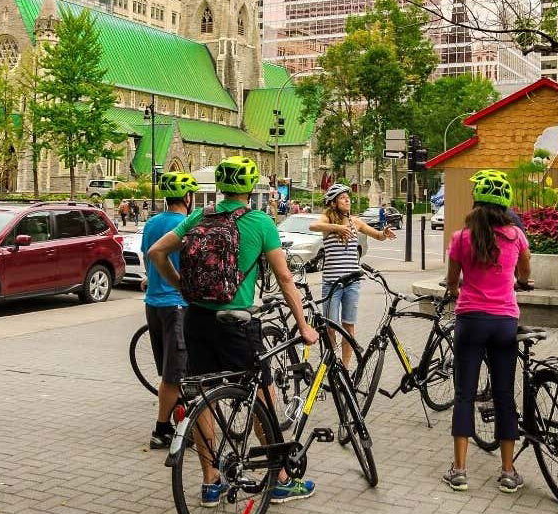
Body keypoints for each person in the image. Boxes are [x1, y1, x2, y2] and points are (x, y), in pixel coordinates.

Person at [148, 156, 320, 506]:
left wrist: (181, 285)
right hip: (237, 321)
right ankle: (282, 478)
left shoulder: (200, 216)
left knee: (202, 396)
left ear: (222, 187)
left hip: (196, 317)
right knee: (261, 392)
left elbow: (156, 251)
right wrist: (303, 326)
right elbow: (285, 279)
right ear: (251, 188)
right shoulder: (260, 222)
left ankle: (211, 483)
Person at [442, 170, 530, 493]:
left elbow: (453, 281)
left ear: (476, 203)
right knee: (505, 394)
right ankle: (508, 472)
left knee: (464, 393)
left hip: (470, 321)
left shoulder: (461, 238)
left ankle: (460, 470)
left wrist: (456, 288)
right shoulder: (516, 237)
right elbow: (524, 273)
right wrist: (514, 281)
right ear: (505, 207)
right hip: (505, 322)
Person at [139, 172, 200, 449]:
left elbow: (148, 256)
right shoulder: (189, 224)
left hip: (153, 305)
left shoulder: (152, 223)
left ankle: (181, 421)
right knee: (176, 374)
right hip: (177, 305)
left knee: (170, 368)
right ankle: (162, 430)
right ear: (188, 198)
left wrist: (151, 278)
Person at [309, 184, 395, 366]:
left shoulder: (355, 222)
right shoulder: (327, 220)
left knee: (348, 325)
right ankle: (330, 365)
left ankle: (345, 367)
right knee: (331, 326)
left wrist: (384, 233)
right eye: (342, 197)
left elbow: (377, 235)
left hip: (352, 283)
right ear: (333, 203)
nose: (347, 200)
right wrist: (337, 228)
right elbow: (313, 225)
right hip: (332, 283)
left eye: (348, 197)